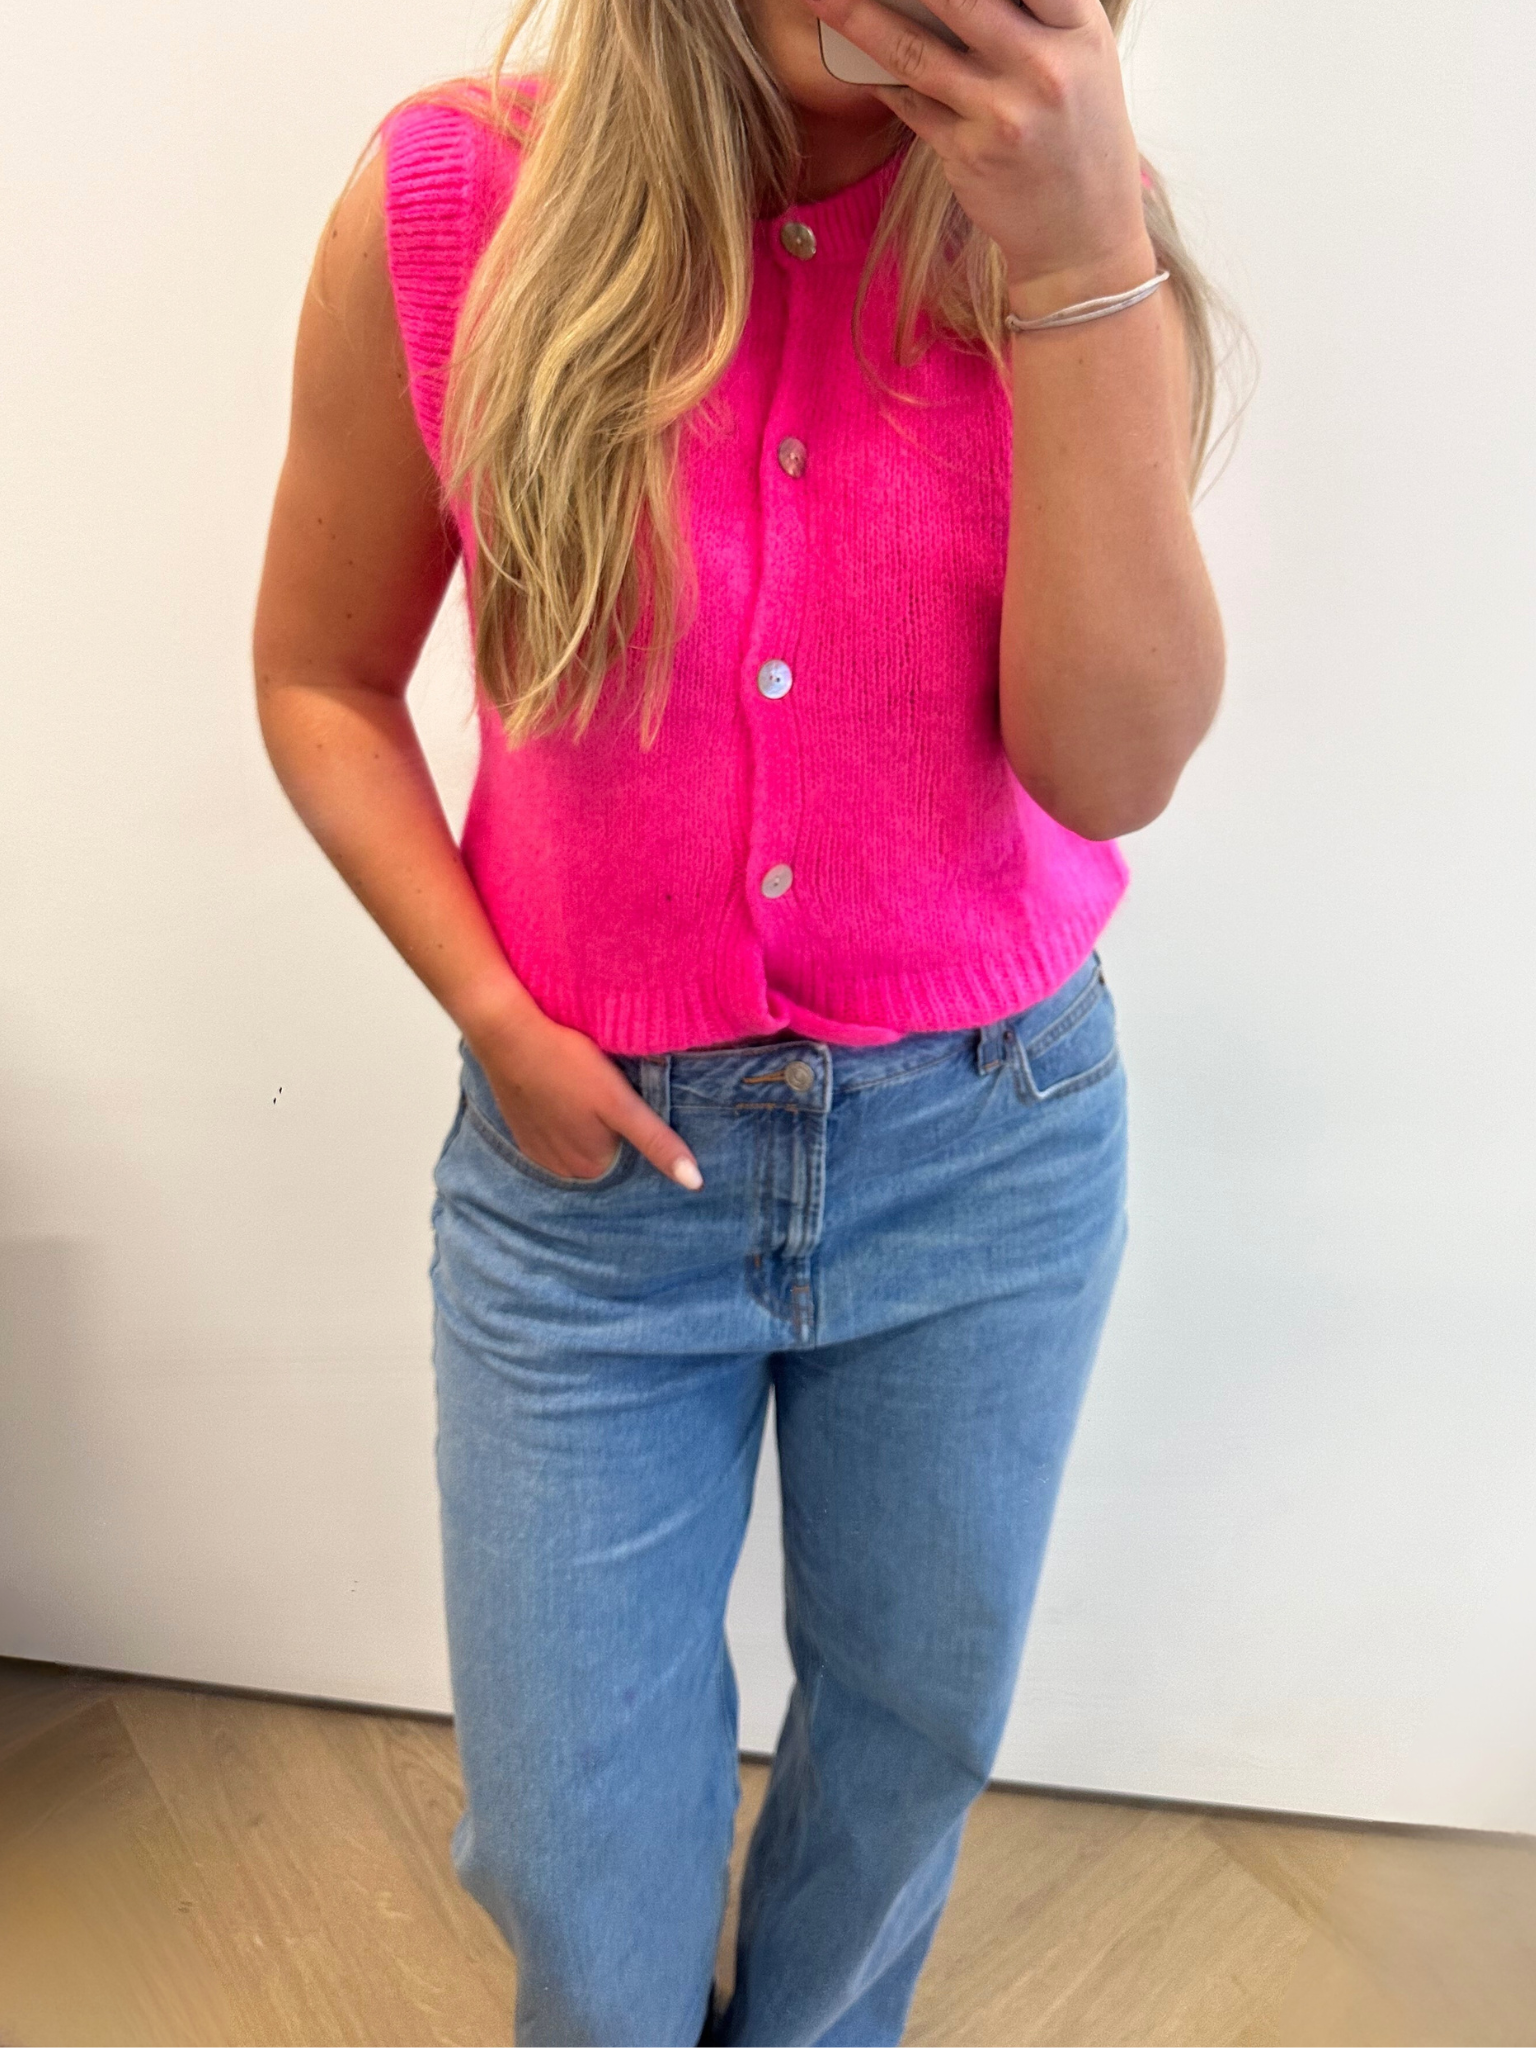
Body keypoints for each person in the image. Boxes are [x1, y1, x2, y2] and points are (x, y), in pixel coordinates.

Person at [252, 0, 1232, 2039]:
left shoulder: (1077, 224)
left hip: (989, 1149)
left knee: (908, 1735)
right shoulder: (450, 199)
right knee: (571, 1835)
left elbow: (1111, 766)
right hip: (585, 1181)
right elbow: (322, 674)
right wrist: (492, 1009)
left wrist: (1074, 259)